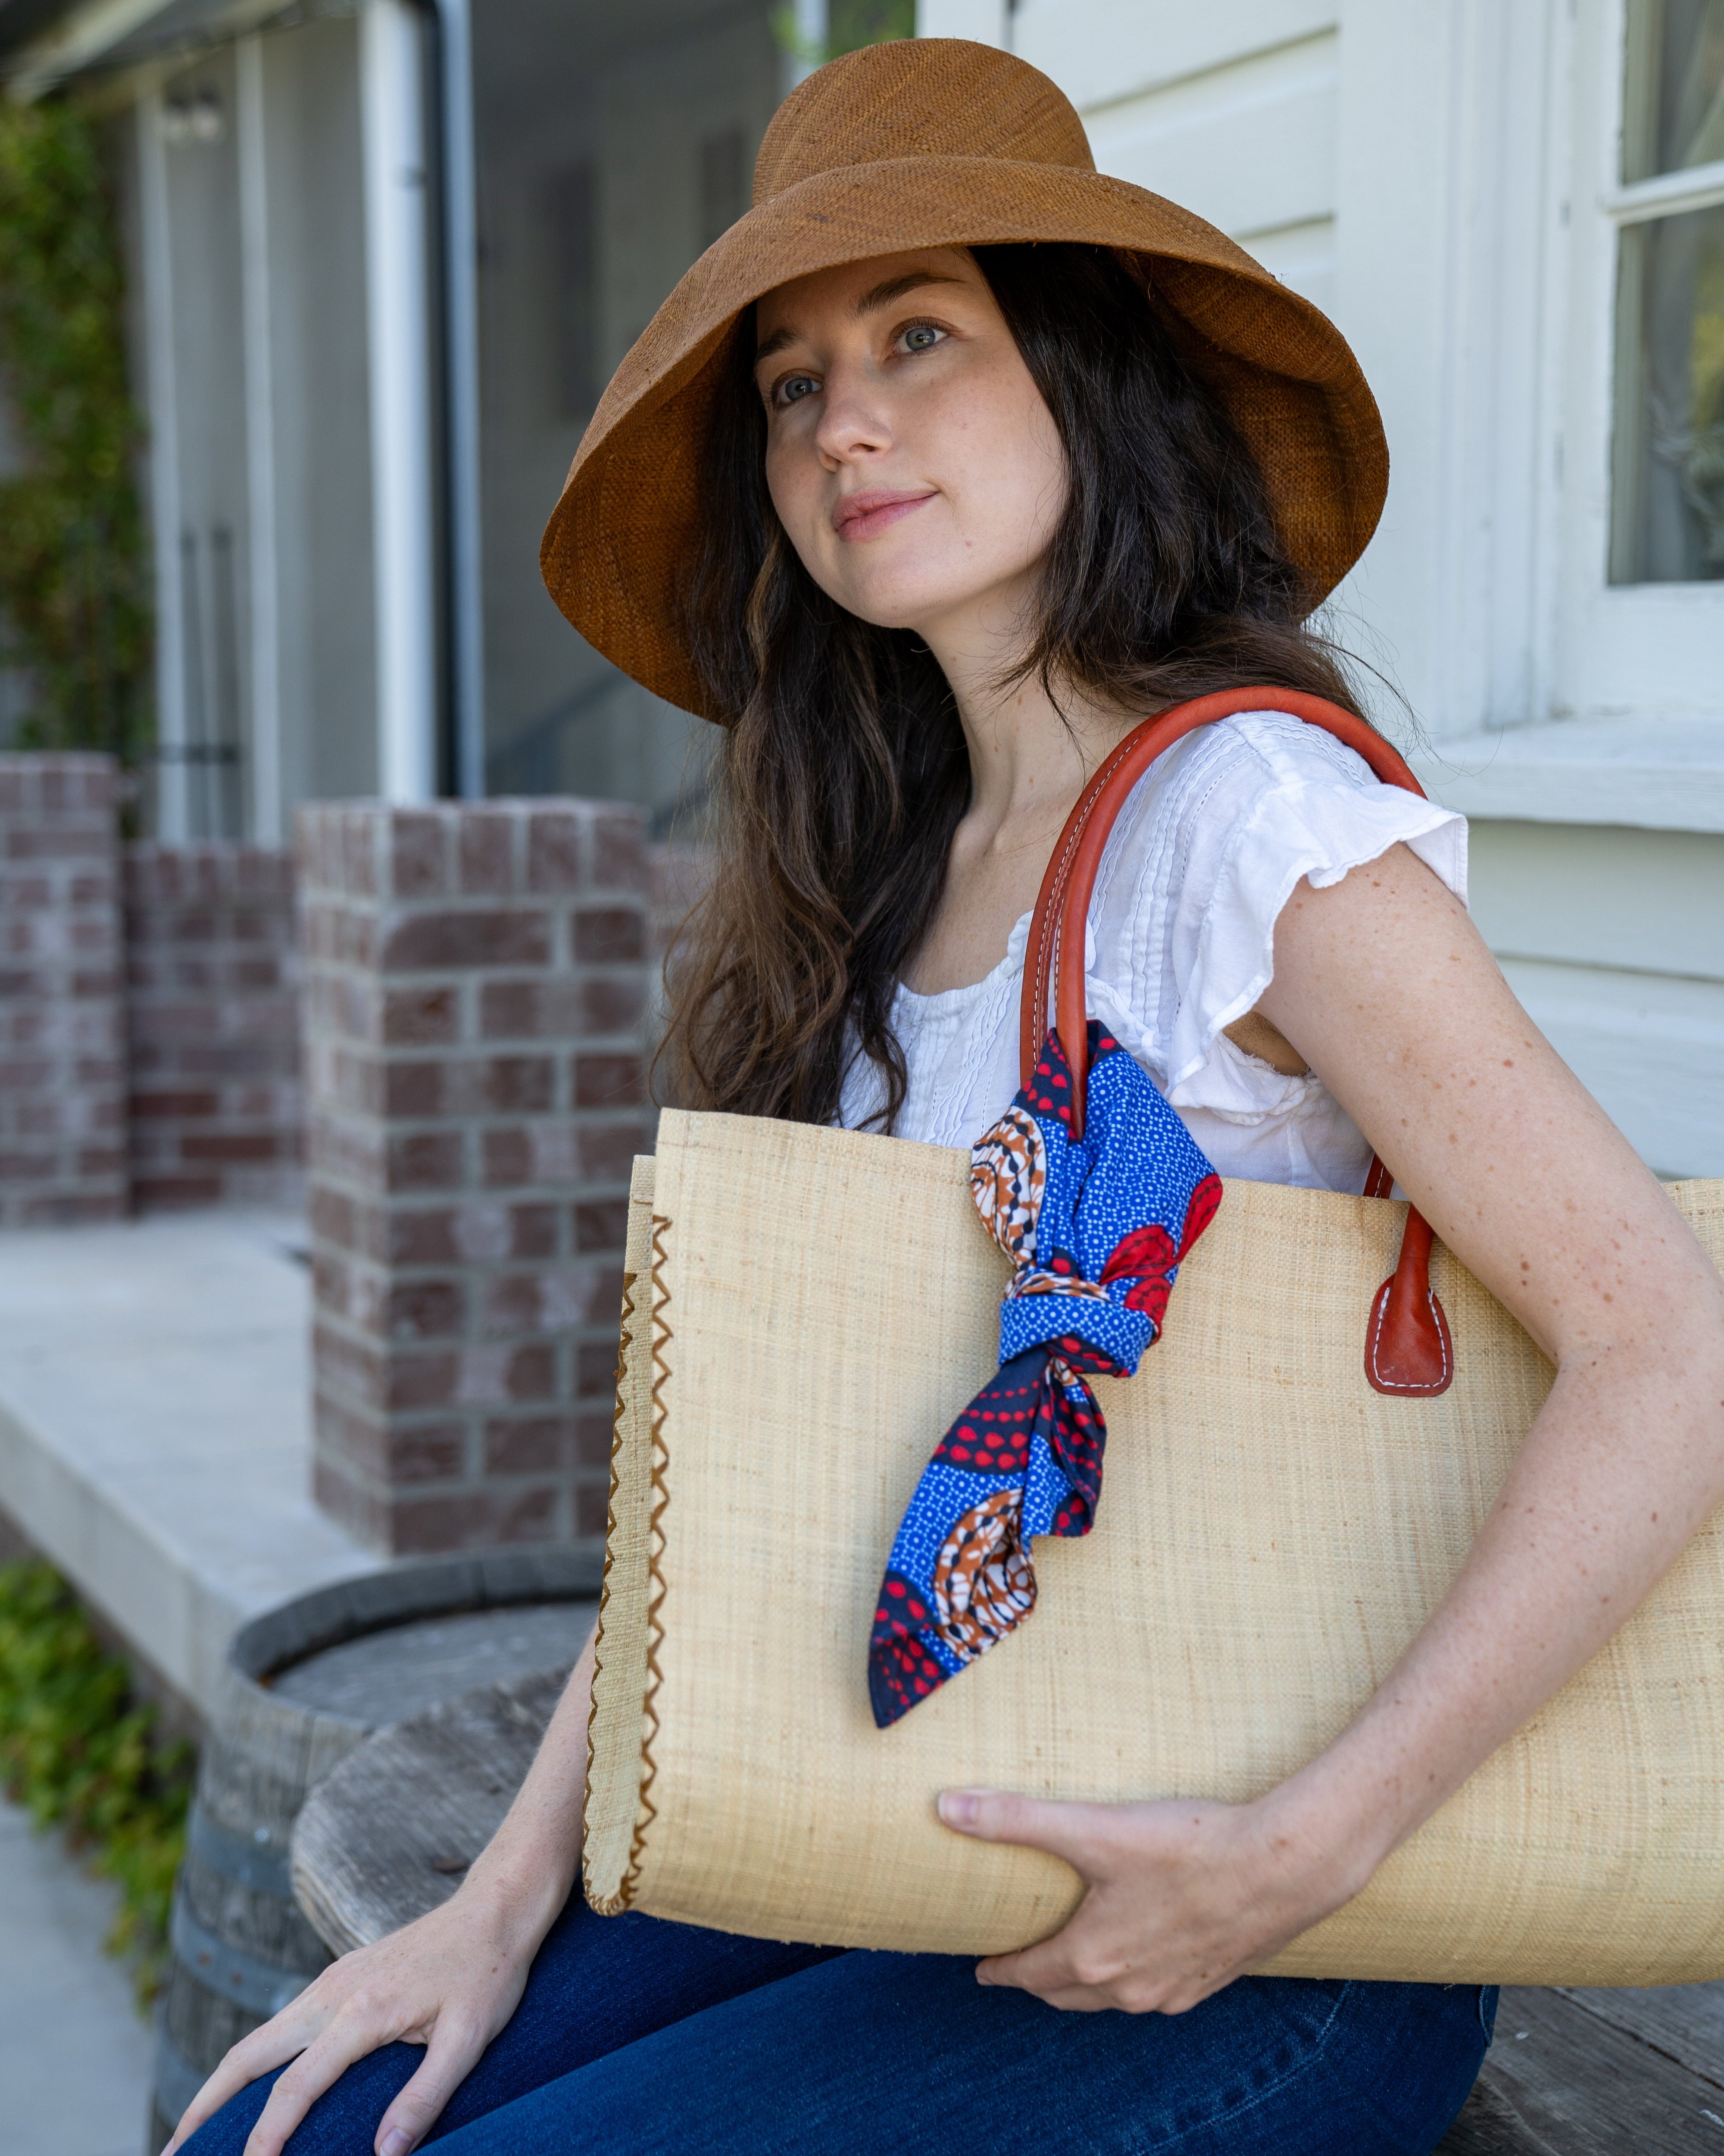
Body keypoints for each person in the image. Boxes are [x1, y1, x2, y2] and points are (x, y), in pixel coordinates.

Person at [167, 38, 1724, 2156]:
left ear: (1082, 376)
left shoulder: (1249, 820)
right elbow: (717, 1469)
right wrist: (498, 1903)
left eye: (922, 334)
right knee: (334, 2124)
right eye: (795, 381)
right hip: (889, 1816)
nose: (846, 420)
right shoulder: (861, 883)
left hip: (1261, 1942)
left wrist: (1295, 1851)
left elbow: (1669, 1339)